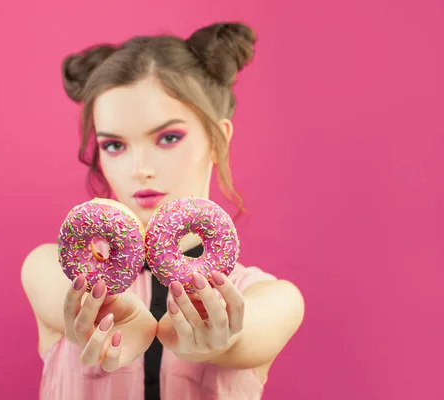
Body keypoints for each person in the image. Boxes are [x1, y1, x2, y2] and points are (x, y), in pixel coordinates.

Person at [21, 21, 305, 400]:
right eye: (115, 146)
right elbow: (65, 305)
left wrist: (215, 342)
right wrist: (109, 318)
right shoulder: (51, 268)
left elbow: (244, 334)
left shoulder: (270, 298)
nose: (140, 168)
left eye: (168, 138)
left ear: (218, 140)